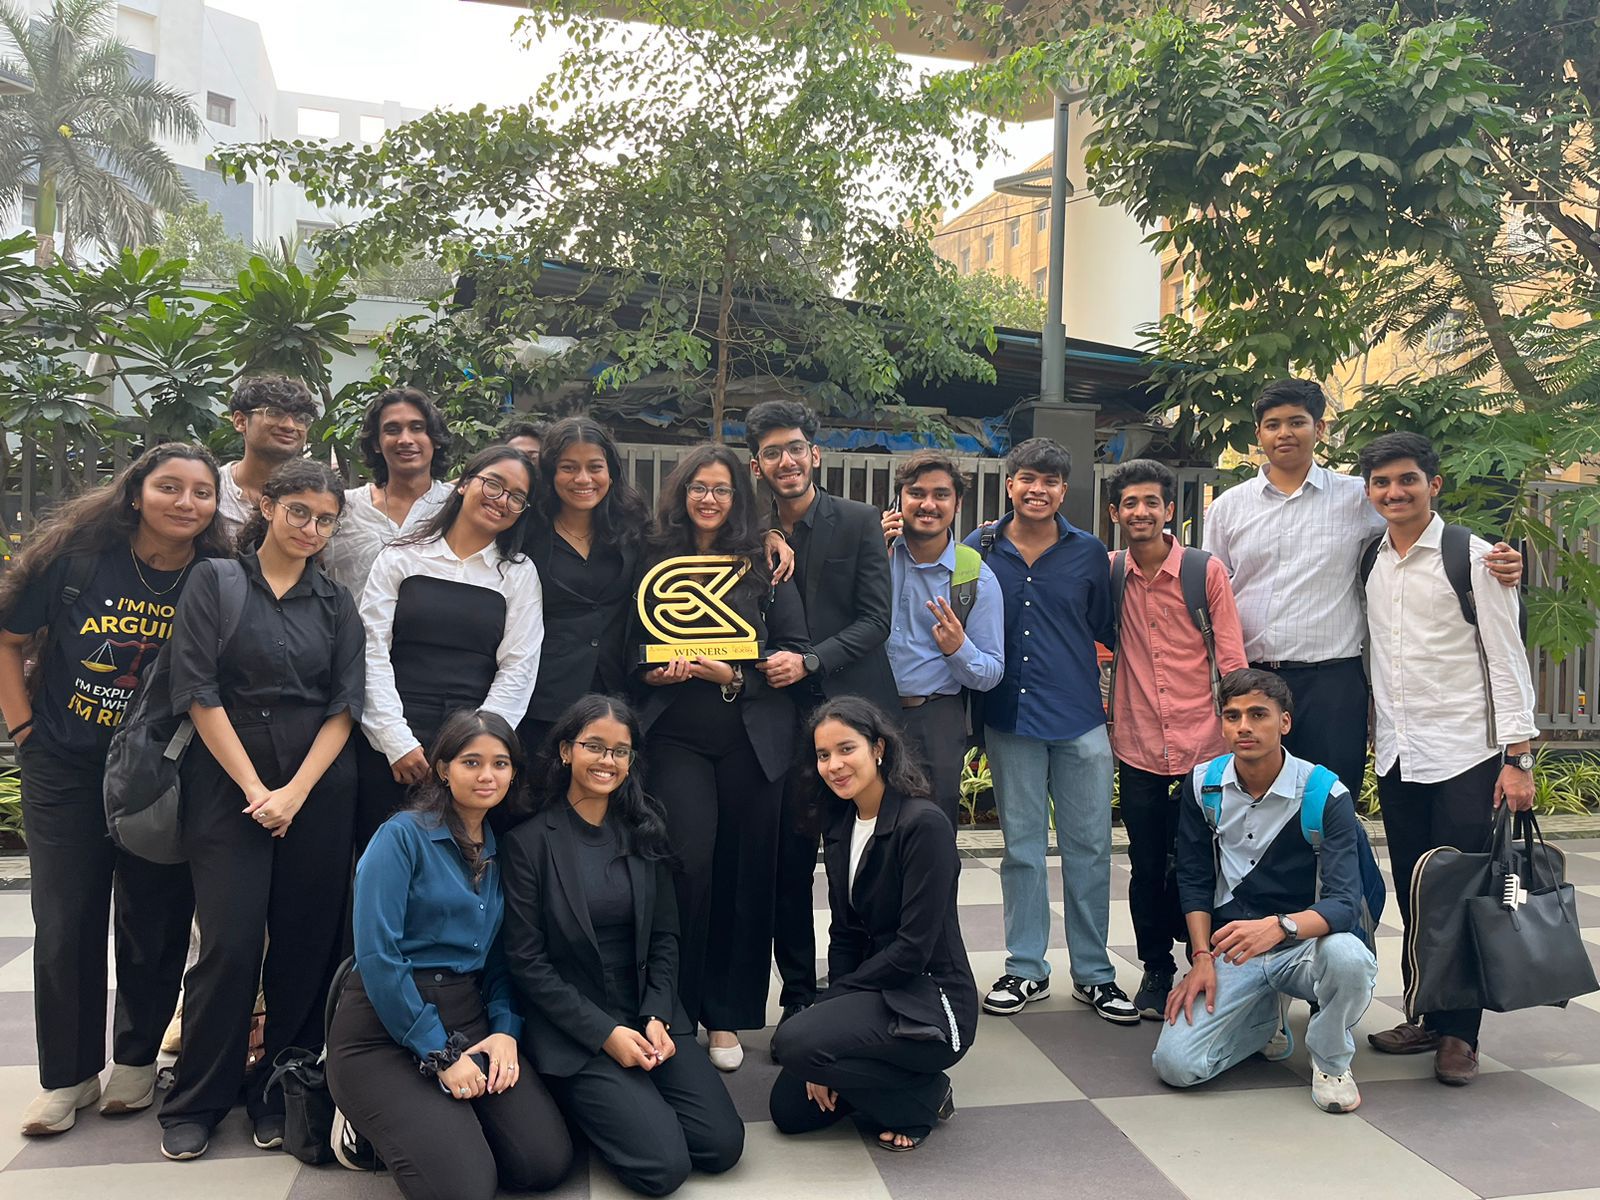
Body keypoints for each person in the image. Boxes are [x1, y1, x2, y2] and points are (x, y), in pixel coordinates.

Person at [1, 444, 227, 1137]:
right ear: (136, 493)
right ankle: (67, 1077)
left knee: (155, 915)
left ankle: (135, 1059)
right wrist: (25, 729)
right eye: (169, 487)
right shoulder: (76, 561)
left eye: (201, 492)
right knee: (64, 919)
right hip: (65, 766)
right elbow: (7, 638)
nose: (186, 503)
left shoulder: (217, 575)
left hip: (160, 771)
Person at [156, 460, 366, 1160]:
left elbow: (345, 706)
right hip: (228, 785)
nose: (311, 528)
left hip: (317, 788)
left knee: (305, 945)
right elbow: (197, 690)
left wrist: (296, 792)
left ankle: (280, 1090)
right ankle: (198, 1097)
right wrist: (256, 790)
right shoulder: (215, 581)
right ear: (269, 507)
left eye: (325, 519)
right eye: (299, 511)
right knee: (231, 943)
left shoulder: (336, 603)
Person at [1202, 378, 1521, 800]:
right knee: (1253, 801)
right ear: (1258, 433)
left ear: (1319, 428)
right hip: (1253, 679)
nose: (1285, 433)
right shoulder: (1228, 507)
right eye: (1273, 424)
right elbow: (1214, 592)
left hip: (1333, 682)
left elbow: (1416, 530)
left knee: (1330, 802)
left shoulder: (1360, 496)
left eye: (1297, 422)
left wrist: (1490, 557)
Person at [501, 695, 744, 1196]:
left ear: (631, 761)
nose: (607, 761)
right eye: (594, 746)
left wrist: (657, 1013)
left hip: (647, 1014)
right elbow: (527, 963)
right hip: (577, 1029)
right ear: (566, 750)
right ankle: (582, 1103)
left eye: (620, 751)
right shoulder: (528, 843)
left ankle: (632, 1101)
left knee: (721, 1146)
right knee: (664, 1168)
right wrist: (605, 1033)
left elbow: (665, 937)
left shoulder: (642, 831)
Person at [327, 709, 572, 1200]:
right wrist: (439, 1054)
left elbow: (501, 959)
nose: (487, 775)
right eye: (471, 762)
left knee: (543, 1162)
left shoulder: (500, 849)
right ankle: (363, 1121)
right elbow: (378, 956)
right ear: (443, 768)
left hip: (467, 1016)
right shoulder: (401, 836)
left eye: (500, 763)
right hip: (382, 1026)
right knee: (465, 1189)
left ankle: (446, 1123)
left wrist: (505, 1032)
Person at [1357, 432, 1537, 1085]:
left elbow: (1507, 658)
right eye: (1382, 483)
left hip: (1467, 754)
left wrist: (1519, 758)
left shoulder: (1475, 557)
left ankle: (1462, 1033)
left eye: (1407, 479)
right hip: (1399, 755)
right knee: (1418, 892)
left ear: (1433, 484)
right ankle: (1429, 1014)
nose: (1394, 492)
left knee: (1463, 893)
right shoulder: (1371, 559)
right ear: (1369, 492)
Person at [635, 443, 810, 1071]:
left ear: (739, 497)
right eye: (698, 487)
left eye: (722, 489)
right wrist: (652, 673)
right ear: (681, 491)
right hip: (675, 738)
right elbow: (631, 646)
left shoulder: (764, 563)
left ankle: (727, 1015)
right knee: (687, 866)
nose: (708, 499)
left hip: (753, 740)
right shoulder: (651, 557)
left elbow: (792, 649)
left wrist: (731, 674)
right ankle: (674, 1009)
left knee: (745, 874)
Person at [964, 437, 1138, 1024]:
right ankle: (1026, 968)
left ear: (1064, 491)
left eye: (1050, 481)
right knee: (1022, 850)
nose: (1038, 489)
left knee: (1090, 848)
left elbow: (1106, 626)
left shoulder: (1089, 553)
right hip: (1009, 717)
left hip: (1079, 716)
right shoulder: (979, 547)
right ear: (1010, 483)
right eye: (1028, 478)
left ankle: (1094, 973)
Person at [1154, 669, 1377, 1115]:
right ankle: (1264, 1018)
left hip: (1307, 942)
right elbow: (1194, 878)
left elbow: (1344, 903)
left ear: (1284, 722)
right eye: (1232, 716)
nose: (1244, 727)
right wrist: (1201, 958)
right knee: (1177, 1066)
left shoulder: (1323, 792)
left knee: (1350, 959)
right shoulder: (1203, 785)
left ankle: (1331, 1059)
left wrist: (1279, 928)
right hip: (1234, 947)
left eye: (1258, 715)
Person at [745, 399, 898, 1030]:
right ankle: (799, 994)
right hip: (779, 721)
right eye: (772, 452)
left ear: (814, 453)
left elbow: (877, 620)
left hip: (854, 712)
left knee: (858, 859)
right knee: (787, 865)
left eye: (795, 448)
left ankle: (863, 985)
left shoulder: (859, 521)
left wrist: (810, 661)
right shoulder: (746, 532)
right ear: (757, 466)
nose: (786, 461)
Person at [769, 697, 976, 1152]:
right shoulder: (841, 822)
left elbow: (912, 950)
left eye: (847, 749)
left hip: (929, 999)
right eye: (823, 755)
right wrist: (829, 1025)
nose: (834, 765)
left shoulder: (923, 824)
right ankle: (909, 1085)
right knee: (790, 1109)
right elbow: (844, 934)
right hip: (878, 991)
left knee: (797, 1043)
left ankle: (923, 1100)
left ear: (878, 748)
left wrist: (828, 1011)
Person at [1104, 459, 1248, 1019]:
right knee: (1145, 864)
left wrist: (1239, 733)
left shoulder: (1203, 571)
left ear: (1169, 510)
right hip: (1139, 743)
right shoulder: (1110, 571)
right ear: (1115, 513)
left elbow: (1231, 656)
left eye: (1151, 502)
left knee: (1206, 861)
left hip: (1204, 745)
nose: (1141, 512)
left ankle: (1208, 962)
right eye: (1130, 503)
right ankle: (1156, 967)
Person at [356, 445, 544, 852]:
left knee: (462, 864)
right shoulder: (401, 556)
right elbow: (370, 650)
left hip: (471, 749)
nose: (502, 500)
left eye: (516, 496)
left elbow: (519, 666)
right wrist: (395, 740)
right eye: (493, 485)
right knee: (383, 861)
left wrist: (479, 750)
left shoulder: (518, 573)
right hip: (390, 741)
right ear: (463, 484)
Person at [878, 451, 1004, 826]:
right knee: (865, 826)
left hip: (935, 717)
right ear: (899, 499)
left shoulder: (975, 576)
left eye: (941, 494)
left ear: (957, 503)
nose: (928, 504)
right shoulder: (875, 554)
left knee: (932, 828)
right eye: (917, 493)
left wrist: (958, 649)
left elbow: (992, 672)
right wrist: (870, 553)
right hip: (869, 710)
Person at [519, 417, 652, 760]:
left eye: (595, 467)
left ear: (611, 472)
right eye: (568, 468)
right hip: (542, 697)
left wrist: (770, 536)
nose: (583, 479)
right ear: (550, 472)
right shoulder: (525, 531)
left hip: (617, 693)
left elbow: (695, 540)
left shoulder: (634, 527)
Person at [321, 387, 455, 596]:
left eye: (417, 428)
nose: (405, 439)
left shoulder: (457, 506)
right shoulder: (344, 508)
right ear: (376, 443)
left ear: (435, 439)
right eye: (392, 430)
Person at [216, 375, 319, 537]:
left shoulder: (316, 497)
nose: (289, 425)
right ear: (240, 421)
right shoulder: (210, 489)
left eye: (300, 419)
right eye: (274, 413)